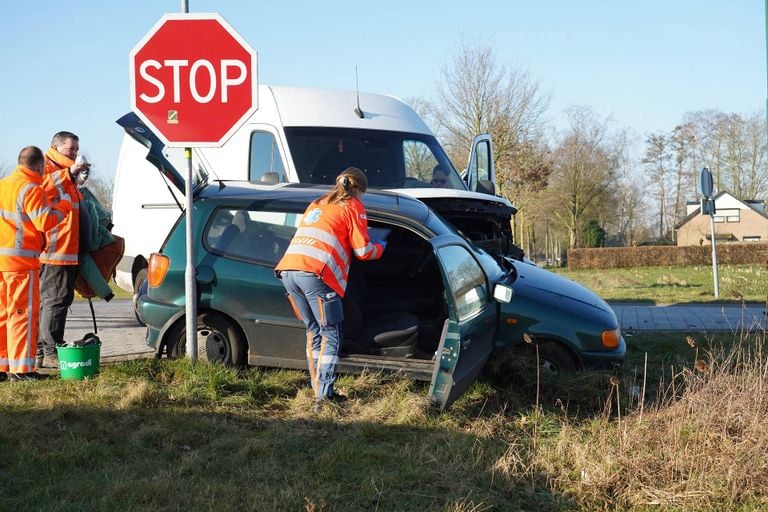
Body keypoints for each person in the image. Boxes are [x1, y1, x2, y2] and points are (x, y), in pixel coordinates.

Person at [275, 167, 386, 411]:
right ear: (358, 189)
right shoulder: (352, 206)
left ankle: (318, 390)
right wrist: (382, 245)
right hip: (315, 274)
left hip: (288, 271)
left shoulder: (318, 202)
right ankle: (324, 397)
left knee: (313, 330)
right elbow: (363, 251)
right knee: (332, 333)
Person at [0, 146, 72, 381]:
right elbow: (45, 221)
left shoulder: (4, 185)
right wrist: (64, 206)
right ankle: (22, 371)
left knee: (3, 315)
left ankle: (3, 367)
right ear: (40, 166)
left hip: (2, 262)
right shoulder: (32, 189)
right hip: (20, 263)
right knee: (22, 315)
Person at [37, 131, 89, 369]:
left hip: (66, 249)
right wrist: (69, 173)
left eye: (77, 150)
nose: (75, 154)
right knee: (55, 301)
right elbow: (42, 189)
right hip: (55, 250)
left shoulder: (65, 172)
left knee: (56, 300)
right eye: (71, 150)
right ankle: (50, 350)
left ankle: (43, 348)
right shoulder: (47, 168)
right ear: (55, 147)